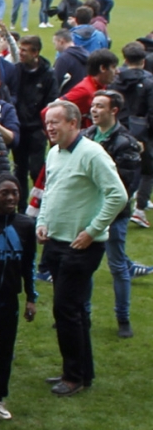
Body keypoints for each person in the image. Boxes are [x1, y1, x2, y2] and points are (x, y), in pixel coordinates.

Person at [37, 99, 127, 396]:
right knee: (74, 310)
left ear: (73, 123)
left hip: (80, 247)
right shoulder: (54, 153)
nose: (49, 127)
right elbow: (50, 191)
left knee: (65, 310)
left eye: (55, 122)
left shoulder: (92, 154)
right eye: (48, 122)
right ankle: (81, 371)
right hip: (56, 242)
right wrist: (42, 220)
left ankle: (73, 376)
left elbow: (118, 196)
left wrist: (92, 231)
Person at [0, 174, 36, 421]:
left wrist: (31, 297)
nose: (11, 197)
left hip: (9, 300)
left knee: (4, 350)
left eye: (15, 192)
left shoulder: (25, 225)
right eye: (5, 193)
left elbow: (29, 263)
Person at [87, 90, 142, 338]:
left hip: (115, 215)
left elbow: (126, 185)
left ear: (114, 111)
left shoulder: (125, 143)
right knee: (83, 266)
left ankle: (123, 318)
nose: (93, 110)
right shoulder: (87, 136)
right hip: (88, 210)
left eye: (99, 106)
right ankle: (82, 314)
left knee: (117, 265)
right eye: (93, 105)